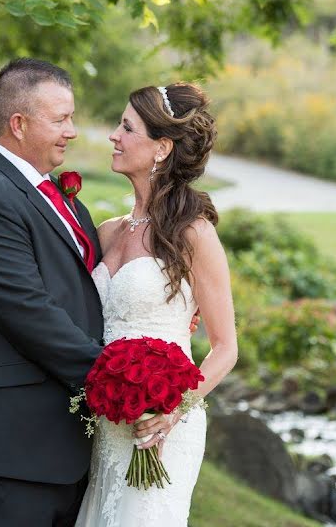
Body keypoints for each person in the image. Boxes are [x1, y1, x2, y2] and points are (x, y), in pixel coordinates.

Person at [0, 59, 200, 526]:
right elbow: (31, 315)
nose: (73, 132)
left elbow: (88, 291)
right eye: (60, 119)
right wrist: (130, 388)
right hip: (8, 448)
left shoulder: (55, 195)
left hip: (63, 445)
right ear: (18, 124)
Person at [74, 83, 238, 527]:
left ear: (162, 148)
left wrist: (172, 411)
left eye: (127, 127)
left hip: (165, 425)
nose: (113, 135)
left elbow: (225, 348)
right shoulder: (107, 232)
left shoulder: (194, 235)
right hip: (106, 424)